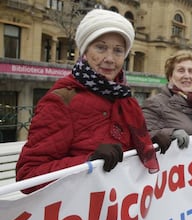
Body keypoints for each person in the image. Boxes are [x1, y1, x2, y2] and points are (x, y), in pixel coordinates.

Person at [15, 9, 158, 194]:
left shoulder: (125, 98)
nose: (109, 58)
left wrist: (150, 143)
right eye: (100, 47)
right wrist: (87, 162)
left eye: (118, 51)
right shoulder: (61, 100)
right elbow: (28, 176)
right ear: (85, 51)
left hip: (121, 207)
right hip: (78, 215)